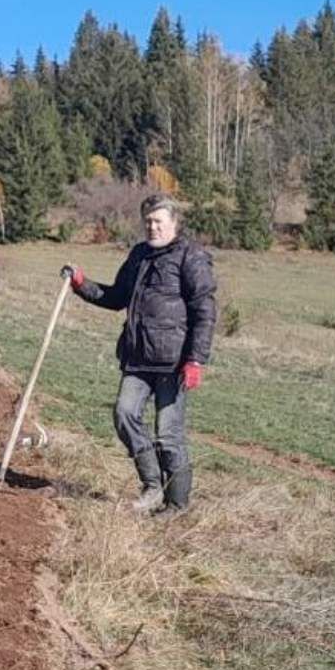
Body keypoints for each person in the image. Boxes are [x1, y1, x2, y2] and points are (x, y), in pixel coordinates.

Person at [62, 194, 216, 516]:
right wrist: (81, 283)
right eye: (148, 221)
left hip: (173, 363)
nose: (152, 227)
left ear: (174, 223)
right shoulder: (139, 255)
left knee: (168, 435)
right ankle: (152, 486)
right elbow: (116, 297)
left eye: (159, 221)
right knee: (124, 413)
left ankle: (176, 506)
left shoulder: (191, 256)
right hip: (137, 358)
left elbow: (204, 310)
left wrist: (196, 360)